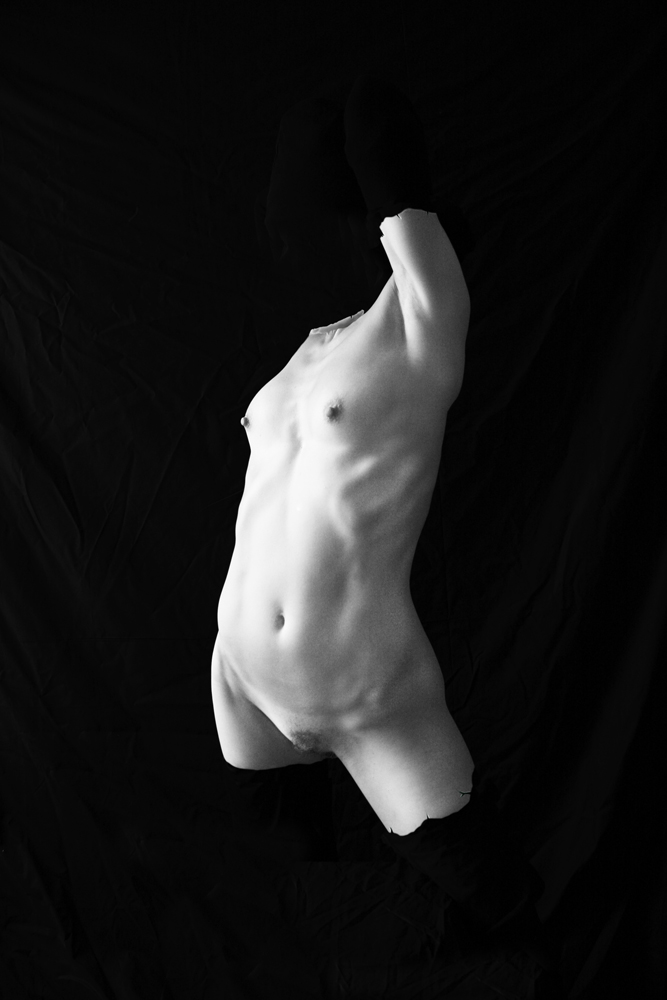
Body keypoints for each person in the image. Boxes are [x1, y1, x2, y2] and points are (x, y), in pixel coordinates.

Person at [211, 74, 564, 997]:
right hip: (240, 680)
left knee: (495, 903)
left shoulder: (423, 325)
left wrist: (334, 121)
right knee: (289, 912)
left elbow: (385, 152)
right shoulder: (305, 354)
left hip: (367, 686)